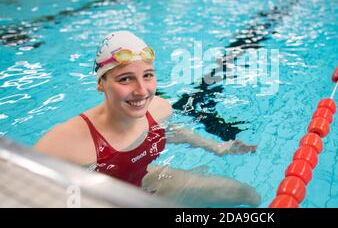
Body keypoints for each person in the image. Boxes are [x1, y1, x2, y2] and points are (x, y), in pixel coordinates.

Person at [34, 31, 261, 207]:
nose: (142, 91)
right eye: (125, 79)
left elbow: (171, 131)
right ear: (101, 84)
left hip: (146, 183)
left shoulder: (159, 109)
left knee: (249, 196)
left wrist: (216, 147)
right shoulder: (65, 142)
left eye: (148, 76)